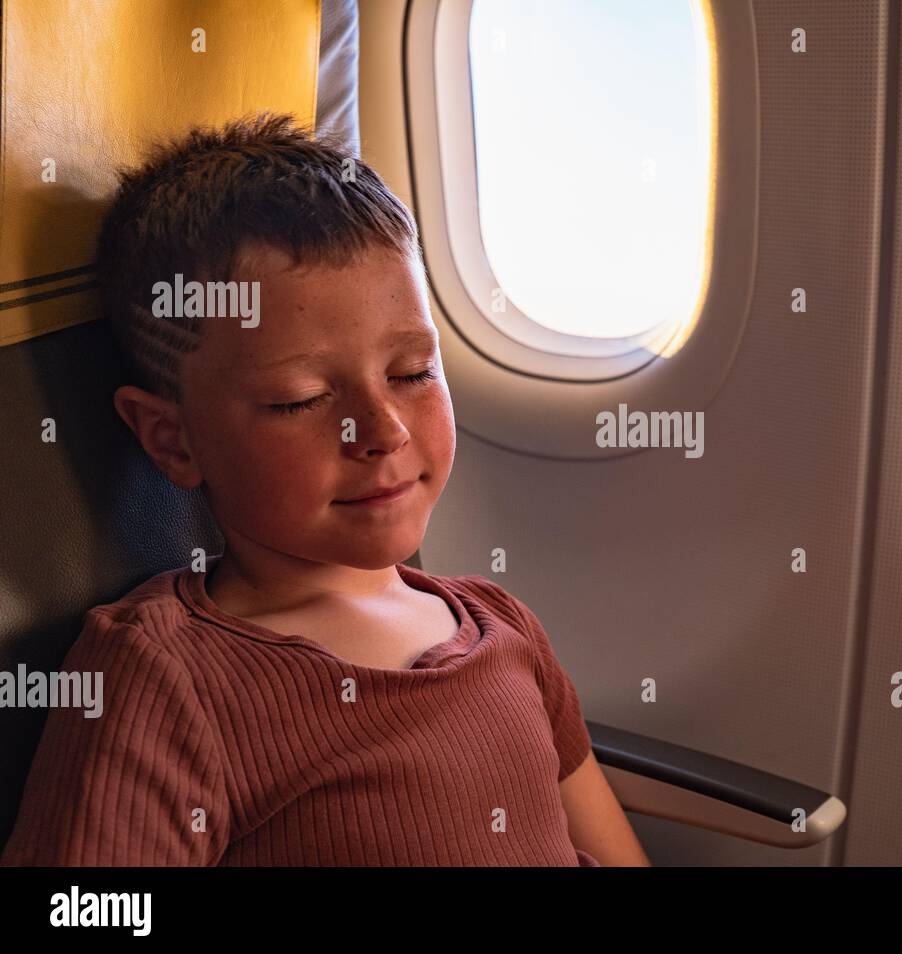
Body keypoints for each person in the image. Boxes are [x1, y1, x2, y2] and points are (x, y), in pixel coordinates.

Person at [1, 113, 650, 867]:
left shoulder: (503, 626)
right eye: (300, 399)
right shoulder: (166, 681)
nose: (383, 430)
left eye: (413, 374)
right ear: (172, 439)